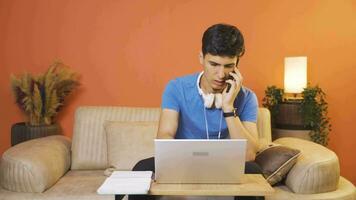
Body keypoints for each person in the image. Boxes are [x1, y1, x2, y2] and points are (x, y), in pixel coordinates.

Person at [116, 23, 264, 200]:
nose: (221, 74)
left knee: (254, 171)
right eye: (214, 64)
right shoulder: (176, 88)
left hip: (226, 166)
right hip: (182, 164)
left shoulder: (247, 97)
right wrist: (179, 161)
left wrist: (228, 107)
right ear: (201, 57)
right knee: (141, 167)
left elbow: (248, 155)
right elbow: (165, 135)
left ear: (237, 65)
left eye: (228, 66)